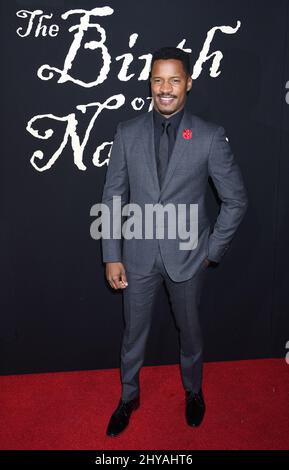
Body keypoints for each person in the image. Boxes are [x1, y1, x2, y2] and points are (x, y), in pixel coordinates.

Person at [101, 46, 248, 437]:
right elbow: (113, 196)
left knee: (191, 332)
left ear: (188, 83)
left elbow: (236, 200)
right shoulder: (127, 132)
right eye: (158, 80)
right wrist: (112, 255)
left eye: (174, 80)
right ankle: (128, 396)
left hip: (188, 258)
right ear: (150, 82)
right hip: (137, 255)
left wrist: (211, 251)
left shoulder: (209, 136)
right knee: (132, 333)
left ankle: (194, 391)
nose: (165, 88)